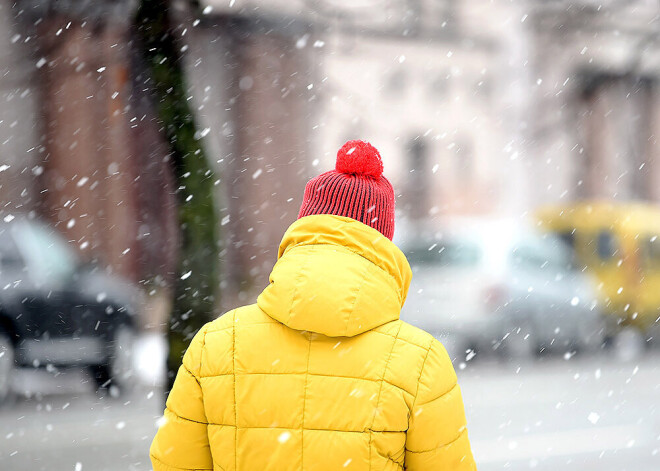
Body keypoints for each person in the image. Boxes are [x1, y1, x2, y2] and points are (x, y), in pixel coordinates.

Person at [150, 140, 477, 470]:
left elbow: (175, 463)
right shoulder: (420, 362)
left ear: (303, 228)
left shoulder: (215, 345)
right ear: (383, 243)